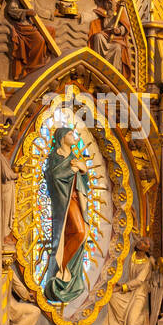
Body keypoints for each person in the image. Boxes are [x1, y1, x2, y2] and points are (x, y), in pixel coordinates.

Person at [41, 127, 90, 304]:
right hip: (64, 202)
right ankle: (61, 267)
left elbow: (85, 182)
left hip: (77, 200)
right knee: (79, 231)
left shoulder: (74, 158)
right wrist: (73, 169)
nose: (73, 136)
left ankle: (65, 267)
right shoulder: (55, 157)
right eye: (70, 134)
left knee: (81, 233)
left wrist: (83, 170)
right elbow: (53, 176)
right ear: (62, 138)